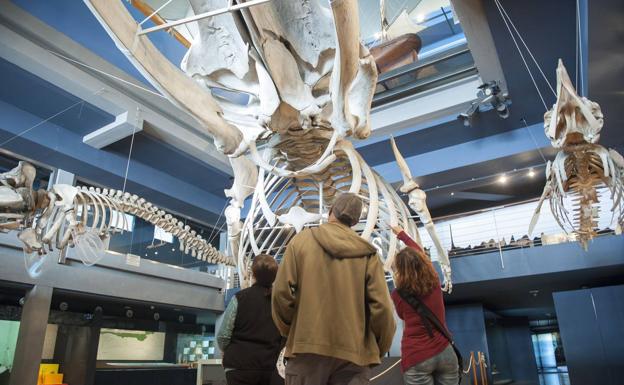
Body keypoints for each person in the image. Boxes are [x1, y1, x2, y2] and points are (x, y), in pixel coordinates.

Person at [272, 192, 396, 385]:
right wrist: (376, 348)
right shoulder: (368, 255)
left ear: (331, 211)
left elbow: (281, 294)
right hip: (354, 356)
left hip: (306, 353)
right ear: (354, 221)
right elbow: (383, 308)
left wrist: (294, 331)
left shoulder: (300, 242)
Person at [390, 226, 458, 385]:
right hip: (445, 350)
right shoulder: (434, 281)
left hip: (417, 354)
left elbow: (401, 315)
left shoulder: (397, 294)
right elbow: (419, 251)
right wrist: (402, 234)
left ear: (400, 269)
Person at [218, 254, 284, 385]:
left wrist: (226, 352)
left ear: (252, 273)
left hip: (238, 367)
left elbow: (223, 336)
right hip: (268, 368)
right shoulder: (280, 302)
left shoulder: (239, 298)